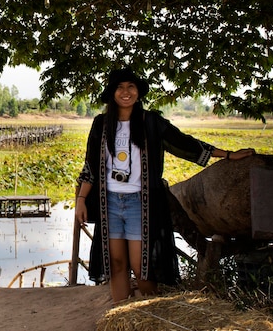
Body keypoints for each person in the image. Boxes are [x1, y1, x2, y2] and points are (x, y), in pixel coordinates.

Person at [75, 68, 255, 303]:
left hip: (139, 204)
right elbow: (90, 165)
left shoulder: (151, 122)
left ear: (138, 93)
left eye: (131, 87)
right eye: (120, 87)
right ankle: (120, 313)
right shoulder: (101, 124)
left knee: (142, 267)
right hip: (109, 203)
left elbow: (184, 143)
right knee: (117, 264)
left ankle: (150, 313)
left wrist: (228, 155)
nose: (126, 92)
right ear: (112, 93)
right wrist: (80, 200)